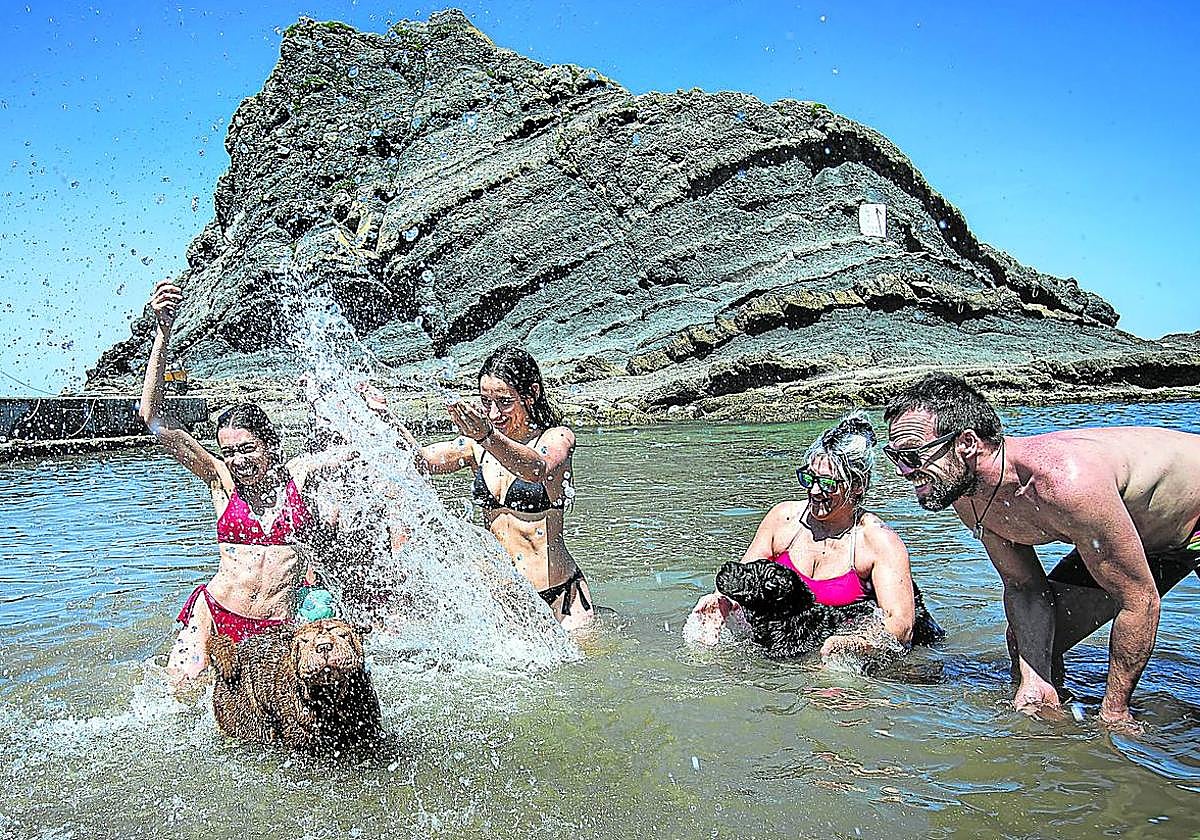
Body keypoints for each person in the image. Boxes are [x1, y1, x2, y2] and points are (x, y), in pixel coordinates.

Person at [883, 372, 1200, 725]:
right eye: (894, 456)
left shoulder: (1065, 483)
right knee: (1032, 646)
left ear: (967, 443)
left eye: (911, 455)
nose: (902, 471)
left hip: (1193, 518)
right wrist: (1036, 681)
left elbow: (1139, 600)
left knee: (1115, 714)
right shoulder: (967, 495)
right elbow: (1024, 587)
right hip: (1143, 536)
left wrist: (1115, 714)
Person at [139, 280, 339, 684]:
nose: (238, 460)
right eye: (229, 451)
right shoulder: (222, 481)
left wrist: (359, 404)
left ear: (270, 445)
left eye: (247, 449)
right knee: (180, 690)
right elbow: (153, 418)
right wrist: (162, 331)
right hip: (216, 613)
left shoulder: (299, 477)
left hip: (277, 627)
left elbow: (355, 448)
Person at [364, 344, 593, 630]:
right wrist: (385, 416)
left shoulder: (557, 437)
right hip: (506, 603)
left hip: (561, 600)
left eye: (505, 402)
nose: (494, 414)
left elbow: (535, 469)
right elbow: (421, 461)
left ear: (532, 394)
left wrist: (486, 435)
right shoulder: (476, 446)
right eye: (486, 402)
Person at [688, 413, 922, 658]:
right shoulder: (783, 519)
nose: (815, 490)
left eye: (828, 483)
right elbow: (745, 580)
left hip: (844, 657)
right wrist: (720, 601)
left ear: (857, 485)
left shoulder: (879, 542)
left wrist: (851, 645)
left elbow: (901, 626)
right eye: (809, 478)